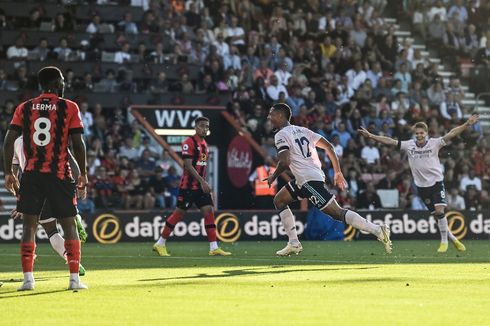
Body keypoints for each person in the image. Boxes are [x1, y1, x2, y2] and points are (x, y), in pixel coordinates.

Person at [264, 103, 392, 256]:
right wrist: (337, 171)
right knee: (279, 200)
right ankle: (293, 243)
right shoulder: (304, 131)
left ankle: (377, 230)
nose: (268, 117)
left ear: (280, 116)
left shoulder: (281, 135)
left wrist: (274, 175)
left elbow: (285, 161)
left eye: (271, 114)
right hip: (308, 178)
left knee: (337, 213)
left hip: (307, 181)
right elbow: (329, 146)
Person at [3, 66, 88, 290]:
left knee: (29, 228)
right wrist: (84, 175)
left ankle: (28, 280)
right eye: (62, 80)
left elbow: (8, 140)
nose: (64, 83)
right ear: (57, 83)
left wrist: (8, 173)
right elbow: (78, 144)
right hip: (59, 174)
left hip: (31, 175)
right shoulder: (69, 107)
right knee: (69, 226)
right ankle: (74, 280)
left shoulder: (25, 107)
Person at [358, 115, 479, 252]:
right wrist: (371, 136)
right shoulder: (409, 145)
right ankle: (453, 239)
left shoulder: (435, 143)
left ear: (426, 133)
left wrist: (467, 124)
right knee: (436, 216)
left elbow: (451, 133)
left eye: (422, 133)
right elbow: (390, 141)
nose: (419, 135)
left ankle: (444, 241)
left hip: (436, 182)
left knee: (440, 211)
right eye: (417, 133)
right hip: (422, 186)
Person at [153, 117, 231, 256]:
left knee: (209, 211)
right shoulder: (188, 142)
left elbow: (201, 167)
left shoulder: (205, 144)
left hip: (201, 187)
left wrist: (204, 183)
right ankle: (160, 243)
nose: (205, 129)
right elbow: (188, 166)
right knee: (179, 213)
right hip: (188, 187)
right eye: (202, 126)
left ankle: (214, 248)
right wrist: (202, 181)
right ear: (195, 127)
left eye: (207, 126)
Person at [10, 136, 88, 276]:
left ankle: (68, 258)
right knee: (68, 221)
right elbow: (70, 158)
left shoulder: (16, 142)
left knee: (51, 231)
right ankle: (75, 215)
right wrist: (80, 178)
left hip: (34, 189)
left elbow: (14, 175)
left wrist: (21, 199)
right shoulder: (50, 134)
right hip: (57, 183)